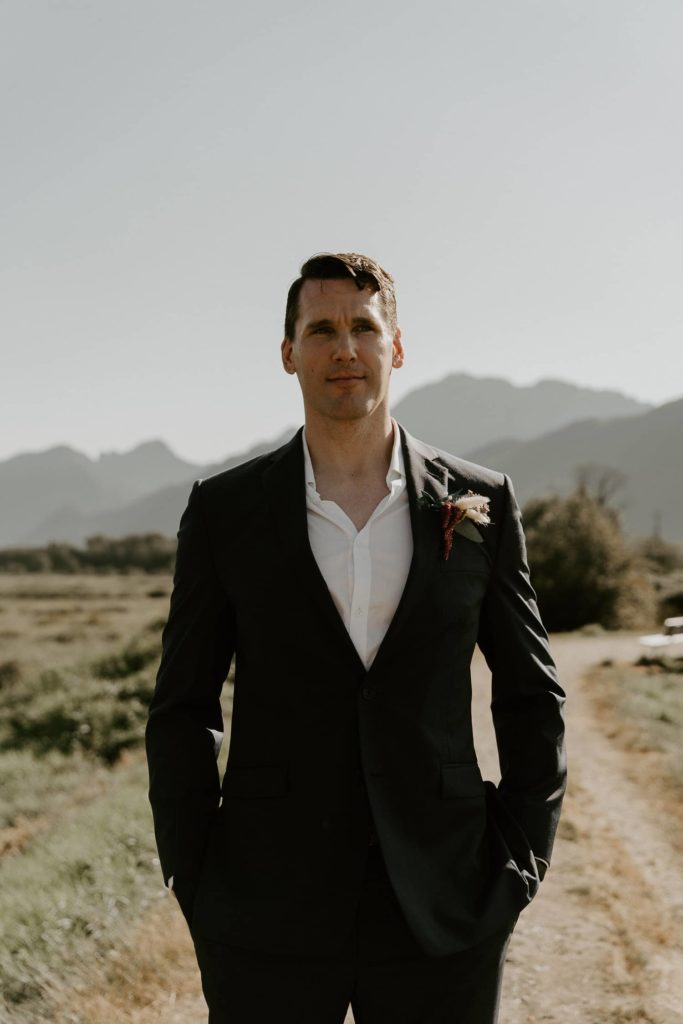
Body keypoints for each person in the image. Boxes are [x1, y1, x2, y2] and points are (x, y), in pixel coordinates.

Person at [145, 252, 567, 1024]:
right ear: (288, 354)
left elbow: (531, 693)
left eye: (363, 327)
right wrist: (192, 872)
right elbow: (182, 705)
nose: (344, 347)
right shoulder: (224, 511)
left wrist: (520, 861)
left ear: (395, 346)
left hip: (443, 902)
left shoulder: (482, 504)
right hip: (261, 905)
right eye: (321, 329)